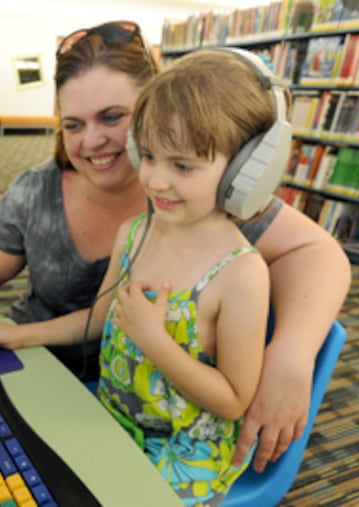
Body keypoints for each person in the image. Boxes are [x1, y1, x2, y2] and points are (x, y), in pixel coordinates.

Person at [0, 20, 351, 475]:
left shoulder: (215, 213)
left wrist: (291, 356)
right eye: (73, 124)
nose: (91, 141)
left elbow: (318, 255)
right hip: (80, 392)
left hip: (164, 433)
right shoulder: (122, 220)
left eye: (113, 118)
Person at [90, 46, 277, 505]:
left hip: (184, 447)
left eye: (182, 165)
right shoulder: (135, 231)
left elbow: (233, 399)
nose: (154, 180)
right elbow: (94, 319)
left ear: (244, 172)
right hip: (116, 417)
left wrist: (153, 338)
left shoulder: (242, 274)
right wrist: (18, 336)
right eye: (148, 156)